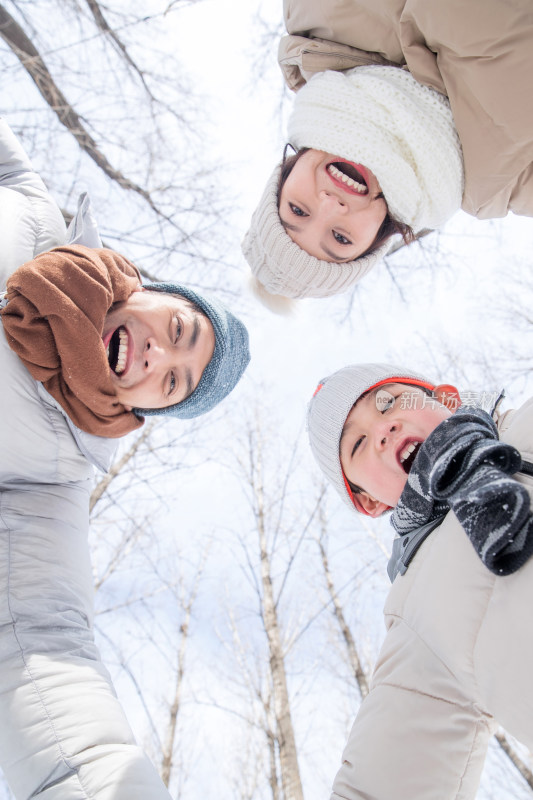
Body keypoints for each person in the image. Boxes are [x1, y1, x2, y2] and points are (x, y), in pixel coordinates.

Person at [0, 119, 249, 799]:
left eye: (173, 382)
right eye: (177, 330)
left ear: (145, 409)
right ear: (146, 288)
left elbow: (41, 644)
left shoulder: (48, 476)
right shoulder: (28, 209)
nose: (156, 356)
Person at [306, 363, 533, 799]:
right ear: (370, 502)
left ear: (446, 398)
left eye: (388, 401)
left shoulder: (524, 423)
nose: (384, 429)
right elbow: (382, 781)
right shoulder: (418, 615)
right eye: (357, 444)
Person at [242, 0, 533, 302]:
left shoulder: (316, 21)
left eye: (298, 210)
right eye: (340, 238)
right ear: (376, 240)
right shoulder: (515, 181)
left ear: (286, 173)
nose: (330, 206)